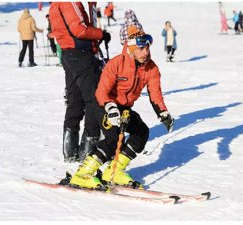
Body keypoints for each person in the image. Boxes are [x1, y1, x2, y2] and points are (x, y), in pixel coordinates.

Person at [69, 26, 174, 189]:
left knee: (141, 132)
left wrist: (163, 112)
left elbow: (155, 94)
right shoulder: (117, 63)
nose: (145, 52)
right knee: (113, 139)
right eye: (141, 48)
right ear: (131, 48)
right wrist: (110, 108)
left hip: (124, 108)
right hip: (104, 104)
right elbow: (101, 91)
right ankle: (83, 174)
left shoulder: (151, 68)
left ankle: (116, 170)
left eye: (147, 48)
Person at [49, 2, 111, 163]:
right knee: (95, 99)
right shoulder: (69, 2)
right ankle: (88, 151)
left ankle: (70, 153)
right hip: (80, 54)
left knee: (75, 101)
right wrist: (101, 34)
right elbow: (80, 29)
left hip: (70, 54)